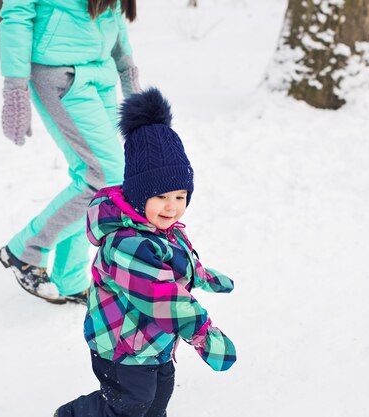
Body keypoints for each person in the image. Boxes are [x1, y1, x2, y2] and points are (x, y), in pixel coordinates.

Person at [54, 88, 237, 416]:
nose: (172, 207)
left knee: (158, 398)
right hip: (120, 346)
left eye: (181, 196)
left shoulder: (160, 230)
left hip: (155, 341)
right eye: (162, 196)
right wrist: (204, 335)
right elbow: (162, 297)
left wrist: (203, 275)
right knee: (129, 404)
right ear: (139, 195)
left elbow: (177, 263)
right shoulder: (128, 244)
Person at [0, 0, 141, 305]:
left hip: (100, 71)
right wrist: (14, 89)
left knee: (99, 177)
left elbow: (113, 12)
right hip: (58, 71)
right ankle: (27, 251)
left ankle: (70, 278)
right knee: (106, 176)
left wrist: (128, 73)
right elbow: (17, 13)